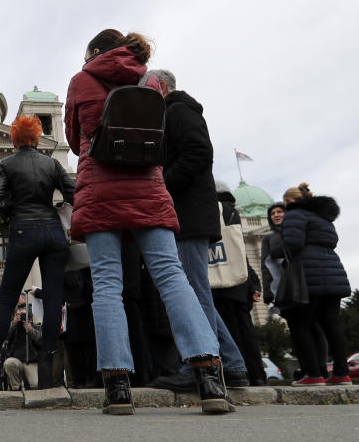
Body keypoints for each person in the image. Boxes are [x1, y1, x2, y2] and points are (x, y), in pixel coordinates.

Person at [65, 29, 231, 415]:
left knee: (107, 284)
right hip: (147, 187)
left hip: (101, 189)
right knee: (172, 277)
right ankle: (208, 376)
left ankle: (118, 387)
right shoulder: (151, 79)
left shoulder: (81, 80)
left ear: (92, 52)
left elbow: (77, 140)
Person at [145, 69, 249, 392]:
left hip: (188, 214)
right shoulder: (177, 111)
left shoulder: (177, 110)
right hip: (188, 213)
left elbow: (199, 153)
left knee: (193, 294)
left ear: (161, 87)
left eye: (148, 91)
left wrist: (163, 184)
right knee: (194, 293)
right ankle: (231, 364)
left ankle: (200, 363)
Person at [0, 114, 74, 390]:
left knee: (7, 298)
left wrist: (11, 216)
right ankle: (47, 367)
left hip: (23, 230)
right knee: (54, 299)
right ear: (36, 137)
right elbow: (73, 192)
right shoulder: (52, 163)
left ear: (14, 139)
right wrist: (57, 211)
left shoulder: (6, 164)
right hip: (53, 233)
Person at [271, 183, 351, 386]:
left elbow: (293, 243)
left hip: (307, 275)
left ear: (289, 202)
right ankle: (341, 374)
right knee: (332, 325)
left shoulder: (295, 215)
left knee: (301, 325)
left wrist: (276, 251)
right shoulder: (324, 218)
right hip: (334, 273)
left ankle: (314, 375)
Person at [209, 181, 266, 386]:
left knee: (226, 330)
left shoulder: (211, 210)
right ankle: (257, 375)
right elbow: (242, 255)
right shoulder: (234, 213)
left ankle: (235, 372)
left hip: (219, 279)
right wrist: (254, 284)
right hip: (239, 280)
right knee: (246, 330)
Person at [2, 307, 42, 391]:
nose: (21, 315)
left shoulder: (35, 326)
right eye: (19, 313)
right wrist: (13, 324)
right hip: (16, 361)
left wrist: (31, 330)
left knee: (35, 385)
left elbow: (41, 342)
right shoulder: (13, 327)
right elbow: (4, 338)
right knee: (8, 363)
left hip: (31, 362)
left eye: (23, 313)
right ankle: (16, 388)